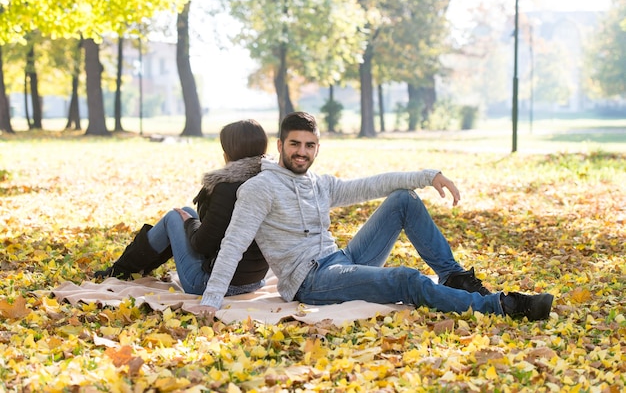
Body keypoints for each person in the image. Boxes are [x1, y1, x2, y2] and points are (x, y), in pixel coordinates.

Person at [188, 111, 553, 321]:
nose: (302, 152)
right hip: (310, 281)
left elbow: (372, 185)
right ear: (280, 145)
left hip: (339, 260)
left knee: (402, 200)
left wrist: (429, 176)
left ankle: (454, 277)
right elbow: (233, 243)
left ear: (317, 147)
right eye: (294, 144)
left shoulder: (318, 183)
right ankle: (500, 305)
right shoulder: (258, 189)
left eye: (309, 145)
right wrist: (211, 300)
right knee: (404, 279)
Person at [95, 119, 270, 297]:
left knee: (175, 217)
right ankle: (130, 268)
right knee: (186, 210)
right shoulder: (268, 182)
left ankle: (121, 270)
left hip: (211, 284)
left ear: (228, 153)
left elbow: (203, 245)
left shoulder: (227, 187)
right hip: (254, 281)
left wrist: (189, 223)